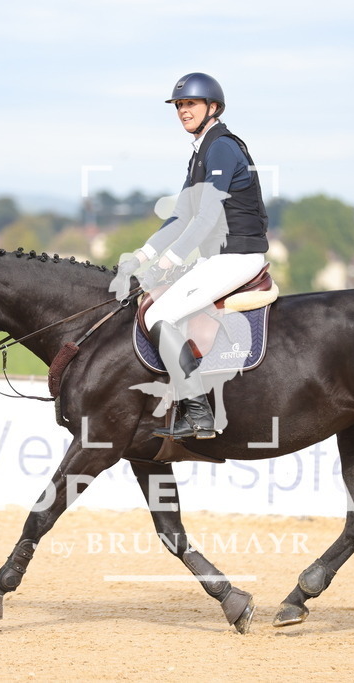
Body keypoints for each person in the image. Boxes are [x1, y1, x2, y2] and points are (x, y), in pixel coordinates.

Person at [114, 72, 270, 440]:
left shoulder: (222, 147)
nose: (184, 111)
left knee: (159, 315)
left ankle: (198, 412)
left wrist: (167, 263)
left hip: (237, 256)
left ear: (212, 107)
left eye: (191, 104)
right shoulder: (201, 151)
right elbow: (182, 215)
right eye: (180, 105)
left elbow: (207, 217)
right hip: (216, 257)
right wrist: (142, 256)